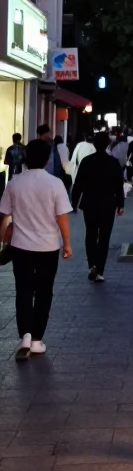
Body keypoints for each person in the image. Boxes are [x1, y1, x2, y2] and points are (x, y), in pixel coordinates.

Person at [0, 137, 73, 359]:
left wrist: (3, 240)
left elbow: (4, 216)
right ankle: (38, 340)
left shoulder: (14, 183)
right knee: (43, 292)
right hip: (47, 247)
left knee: (23, 291)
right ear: (47, 158)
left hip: (20, 246)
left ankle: (25, 336)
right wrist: (67, 244)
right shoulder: (54, 184)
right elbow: (62, 218)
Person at [71, 130, 125, 282]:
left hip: (90, 202)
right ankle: (100, 269)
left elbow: (78, 184)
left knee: (91, 233)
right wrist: (121, 204)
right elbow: (118, 186)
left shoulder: (87, 161)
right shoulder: (113, 162)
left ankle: (91, 265)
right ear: (108, 144)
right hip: (108, 203)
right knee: (104, 237)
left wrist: (74, 202)